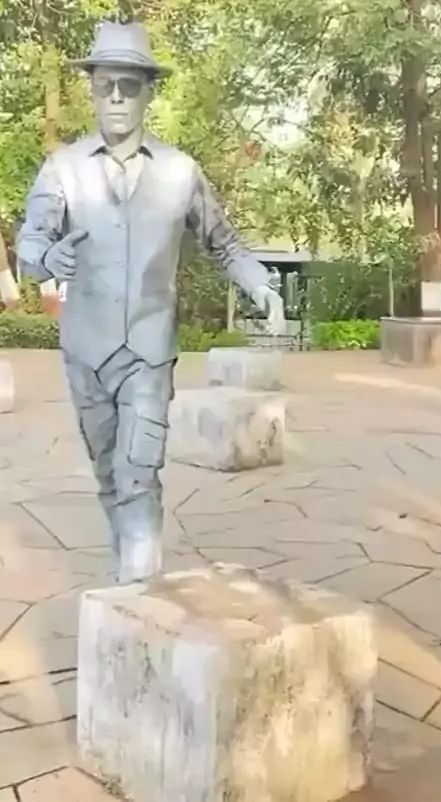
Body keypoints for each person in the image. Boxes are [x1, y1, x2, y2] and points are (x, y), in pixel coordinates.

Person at [15, 21, 286, 584]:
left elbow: (223, 241)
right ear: (92, 90)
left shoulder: (181, 172)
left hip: (147, 351)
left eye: (129, 85)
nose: (116, 97)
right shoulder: (63, 168)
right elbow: (31, 242)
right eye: (105, 85)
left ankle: (137, 593)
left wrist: (259, 283)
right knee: (109, 477)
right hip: (86, 351)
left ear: (148, 93)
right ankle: (130, 586)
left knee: (138, 474)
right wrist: (46, 259)